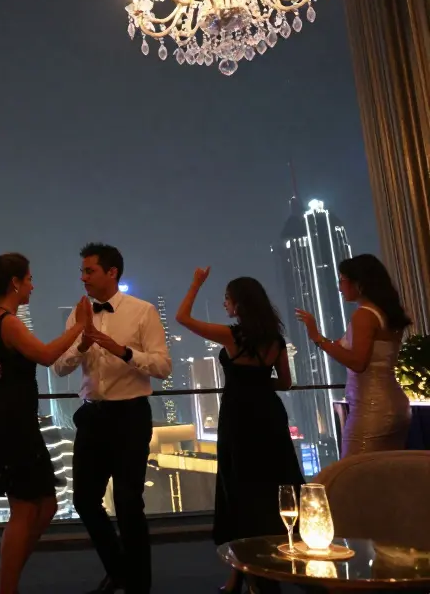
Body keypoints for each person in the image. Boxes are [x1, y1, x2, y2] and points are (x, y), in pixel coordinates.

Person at [0, 252, 92, 594]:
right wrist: (80, 325)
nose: (33, 286)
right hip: (12, 421)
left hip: (11, 416)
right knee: (24, 510)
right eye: (29, 280)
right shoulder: (8, 322)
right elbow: (46, 355)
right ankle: (6, 588)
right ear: (15, 282)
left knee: (46, 505)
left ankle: (3, 577)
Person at [53, 243, 170, 594]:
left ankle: (139, 586)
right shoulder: (78, 315)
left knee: (129, 503)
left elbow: (162, 366)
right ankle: (120, 571)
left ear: (112, 272)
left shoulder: (142, 311)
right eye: (82, 271)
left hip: (130, 415)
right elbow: (59, 367)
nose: (83, 278)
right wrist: (83, 345)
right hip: (92, 416)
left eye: (89, 271)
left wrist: (120, 350)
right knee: (84, 500)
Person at [177, 269, 302, 594]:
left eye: (227, 299)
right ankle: (247, 574)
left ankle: (250, 574)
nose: (224, 304)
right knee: (272, 488)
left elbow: (182, 318)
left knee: (240, 492)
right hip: (269, 416)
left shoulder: (232, 336)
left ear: (240, 303)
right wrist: (258, 384)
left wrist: (195, 283)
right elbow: (285, 383)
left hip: (239, 418)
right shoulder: (275, 340)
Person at [295, 253, 412, 457]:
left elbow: (358, 362)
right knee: (387, 469)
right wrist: (321, 339)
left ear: (359, 283)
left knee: (356, 469)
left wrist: (317, 337)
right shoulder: (386, 313)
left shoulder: (364, 315)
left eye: (342, 280)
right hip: (394, 404)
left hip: (371, 408)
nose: (340, 287)